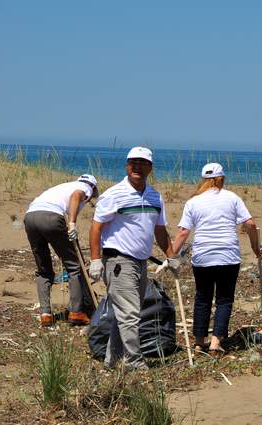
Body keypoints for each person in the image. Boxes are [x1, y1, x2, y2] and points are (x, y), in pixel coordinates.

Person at [88, 147, 173, 370]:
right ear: (127, 166)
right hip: (118, 261)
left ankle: (113, 359)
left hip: (141, 262)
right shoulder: (114, 194)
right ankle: (135, 362)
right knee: (130, 314)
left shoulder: (155, 196)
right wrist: (95, 260)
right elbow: (96, 228)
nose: (136, 167)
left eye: (142, 163)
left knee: (122, 313)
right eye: (132, 162)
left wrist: (172, 257)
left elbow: (160, 231)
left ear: (150, 168)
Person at [171, 163, 261, 355]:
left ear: (203, 180)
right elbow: (250, 224)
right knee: (224, 299)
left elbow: (183, 232)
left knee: (202, 298)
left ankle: (198, 342)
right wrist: (255, 246)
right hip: (228, 256)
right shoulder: (232, 198)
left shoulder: (193, 201)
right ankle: (215, 342)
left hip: (203, 256)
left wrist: (171, 256)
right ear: (222, 179)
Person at [24, 174, 99, 327]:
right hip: (51, 217)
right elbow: (77, 195)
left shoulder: (62, 187)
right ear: (93, 187)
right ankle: (76, 312)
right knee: (74, 267)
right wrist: (72, 223)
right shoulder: (84, 187)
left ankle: (45, 314)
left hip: (30, 217)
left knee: (43, 269)